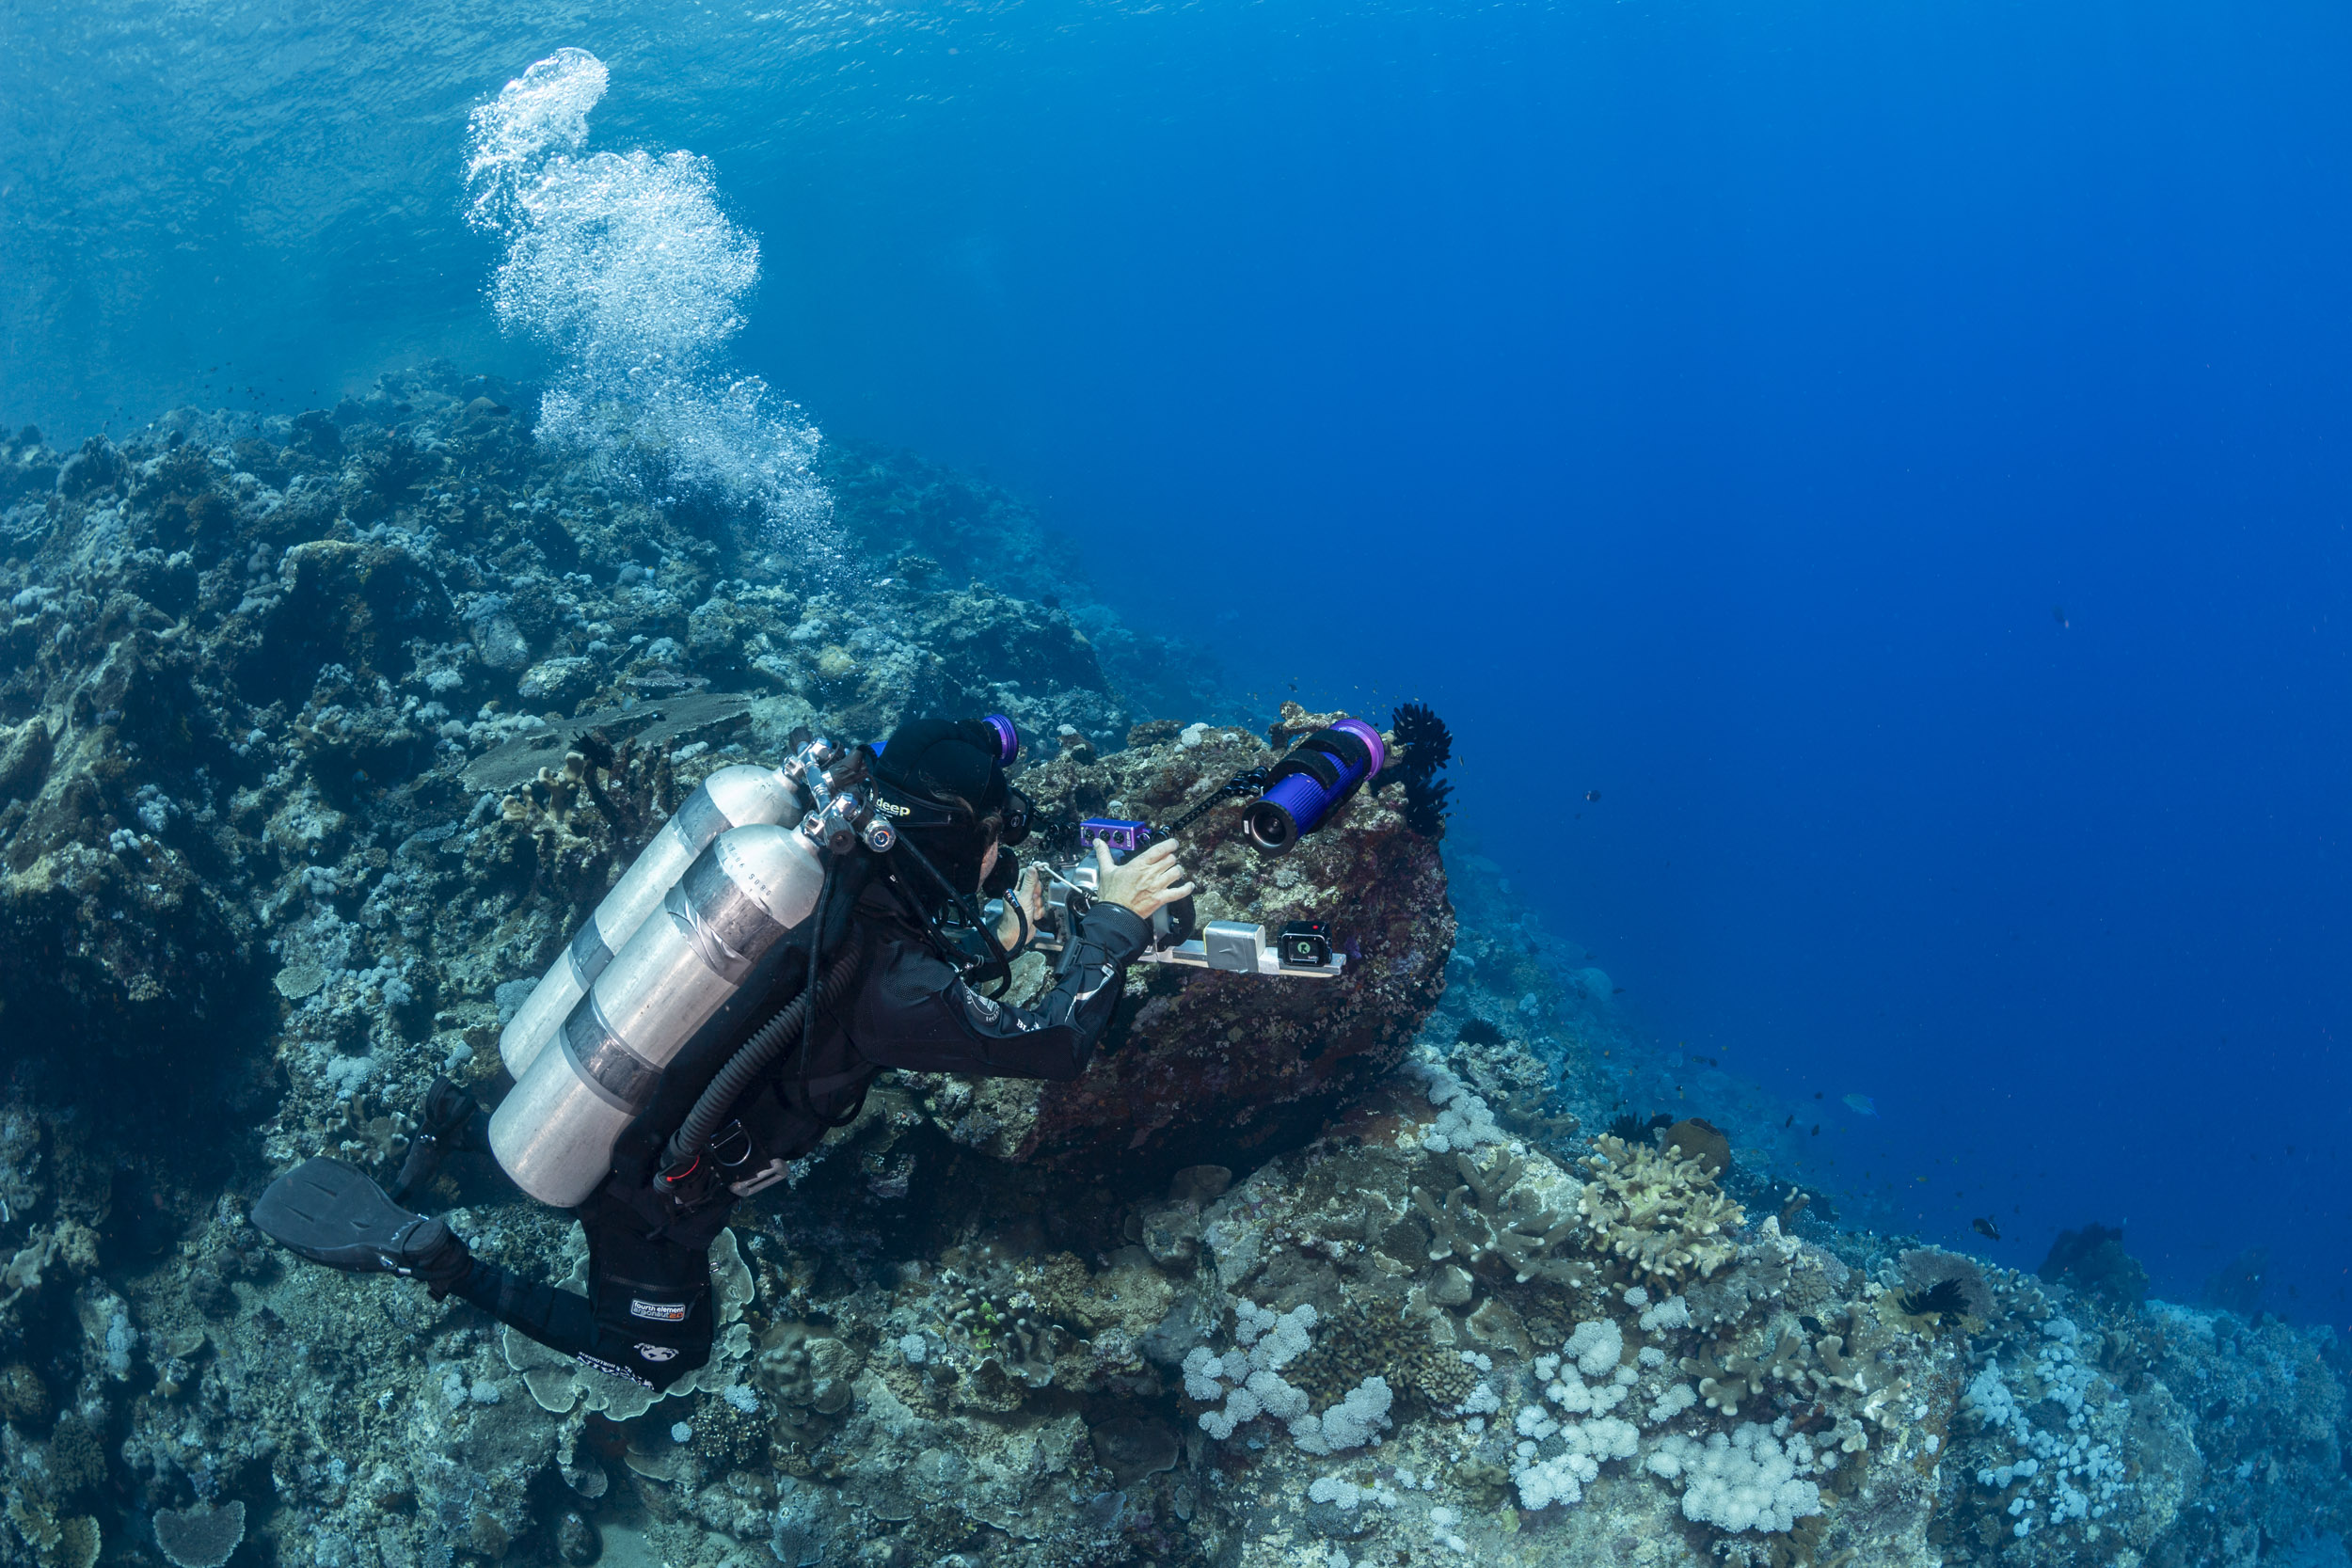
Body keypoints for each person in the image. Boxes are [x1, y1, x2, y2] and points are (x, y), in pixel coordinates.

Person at [251, 716, 1193, 1390]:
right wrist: (1108, 931)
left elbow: (906, 960)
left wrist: (1007, 934)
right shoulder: (891, 981)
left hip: (597, 1079)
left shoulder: (804, 857)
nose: (997, 855)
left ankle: (443, 1146)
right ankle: (444, 1264)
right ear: (956, 837)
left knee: (526, 1154)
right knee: (657, 1357)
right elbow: (1058, 1043)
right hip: (653, 1197)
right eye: (993, 837)